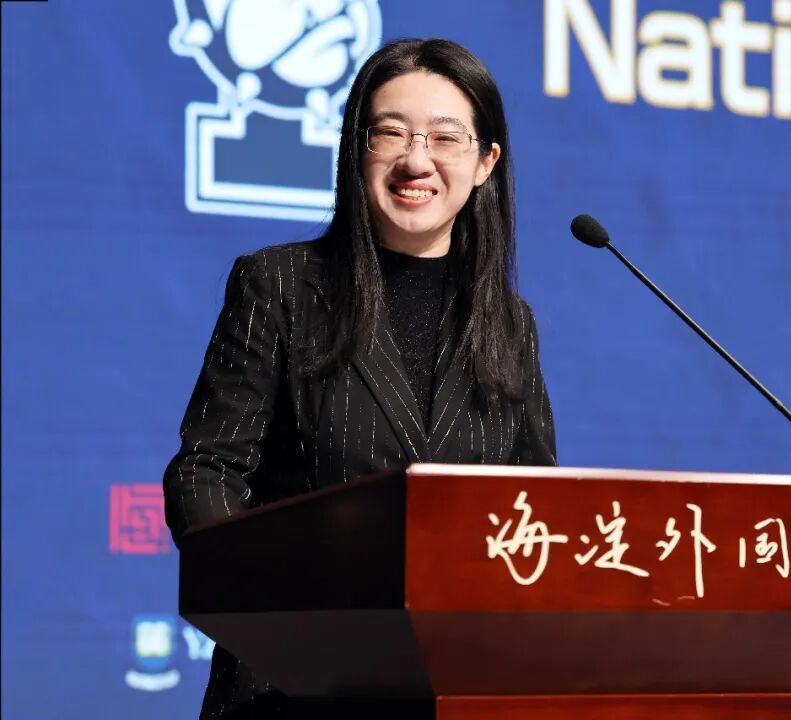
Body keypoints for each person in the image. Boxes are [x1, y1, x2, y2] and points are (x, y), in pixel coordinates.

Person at [163, 38, 556, 719]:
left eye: (445, 137)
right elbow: (207, 471)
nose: (416, 160)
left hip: (453, 691)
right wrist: (276, 622)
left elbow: (535, 506)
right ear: (357, 148)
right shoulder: (279, 285)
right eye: (391, 133)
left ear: (485, 162)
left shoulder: (509, 323)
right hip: (290, 686)